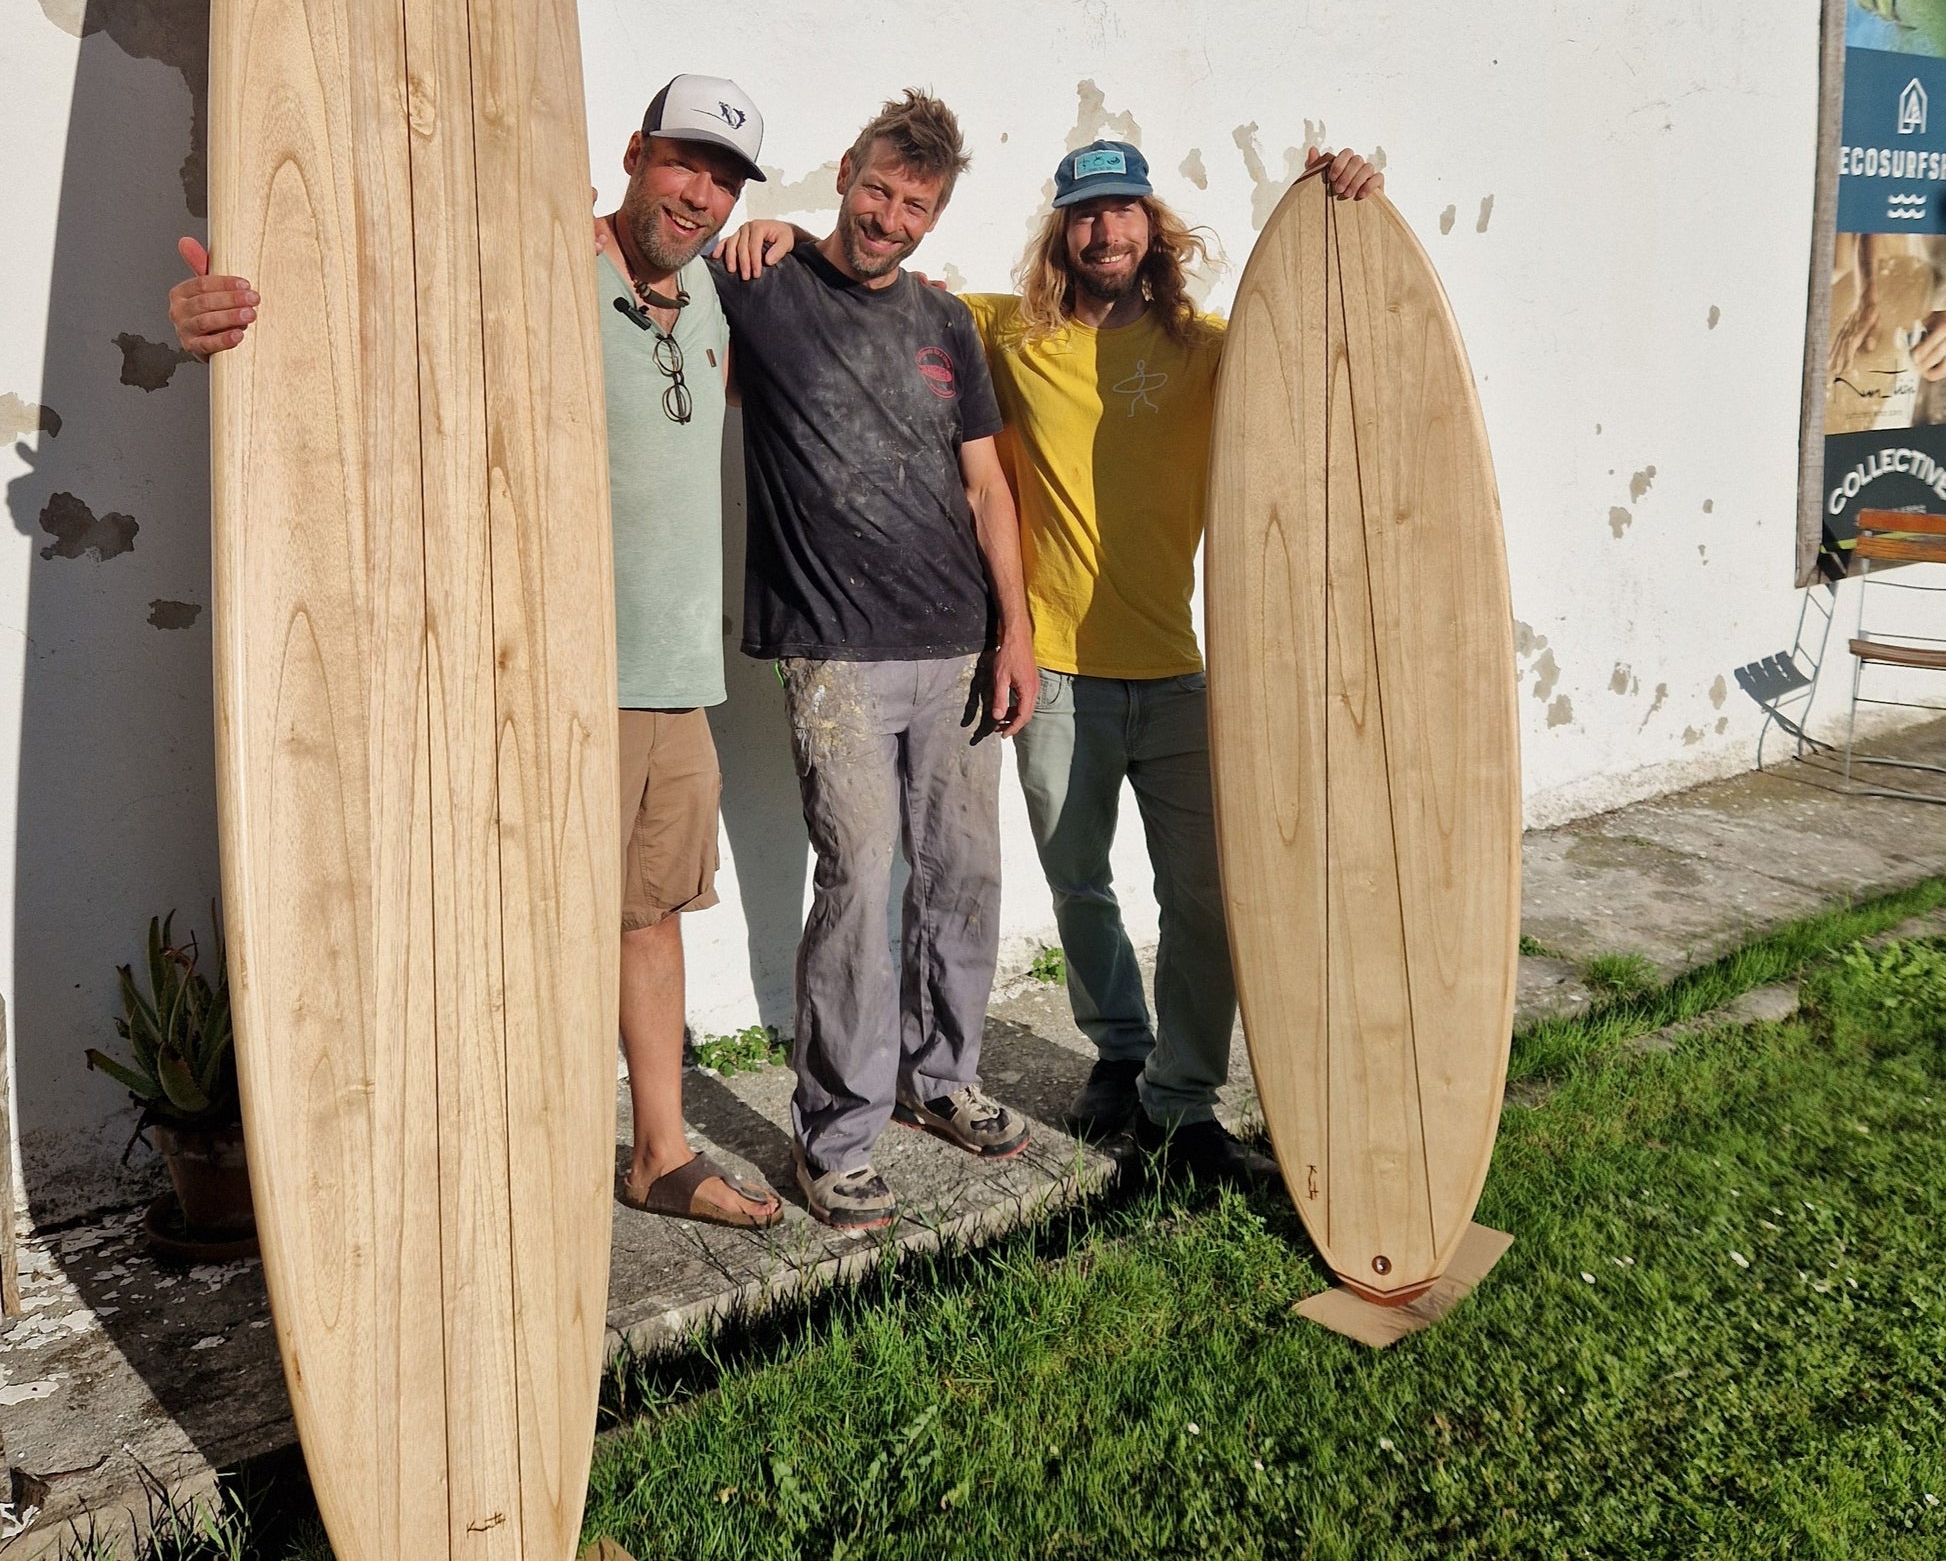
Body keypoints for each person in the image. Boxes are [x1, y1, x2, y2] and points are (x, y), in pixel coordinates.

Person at [168, 72, 785, 1230]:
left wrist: (804, 242)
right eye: (683, 162)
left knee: (646, 915)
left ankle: (657, 1150)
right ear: (634, 151)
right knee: (520, 918)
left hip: (670, 678)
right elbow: (384, 320)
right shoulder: (542, 264)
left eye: (725, 178)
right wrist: (217, 322)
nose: (699, 194)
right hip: (541, 674)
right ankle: (492, 1163)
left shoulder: (707, 298)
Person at [725, 133, 1381, 1192]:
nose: (1105, 231)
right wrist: (786, 232)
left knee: (1202, 899)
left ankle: (1183, 1099)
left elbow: (1317, 344)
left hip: (1172, 668)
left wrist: (1341, 206)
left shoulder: (1210, 349)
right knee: (1078, 887)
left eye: (1124, 210)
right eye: (1084, 213)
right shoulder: (999, 330)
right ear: (1061, 231)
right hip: (1051, 673)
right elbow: (876, 271)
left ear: (1152, 225)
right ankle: (1118, 1051)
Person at [708, 91, 1039, 1235]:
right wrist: (775, 232)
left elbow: (988, 487)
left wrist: (1018, 628)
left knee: (965, 872)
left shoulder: (947, 326)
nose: (889, 218)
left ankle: (942, 1081)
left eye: (915, 205)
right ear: (844, 170)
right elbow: (649, 277)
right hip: (833, 653)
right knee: (856, 885)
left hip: (956, 645)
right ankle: (836, 1137)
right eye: (878, 190)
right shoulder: (760, 281)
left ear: (934, 216)